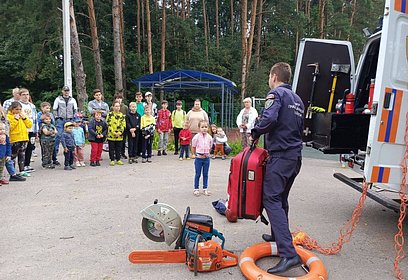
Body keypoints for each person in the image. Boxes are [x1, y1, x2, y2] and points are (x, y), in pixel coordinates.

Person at [251, 62, 304, 274]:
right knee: (280, 199)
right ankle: (277, 234)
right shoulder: (298, 99)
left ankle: (289, 254)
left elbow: (270, 119)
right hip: (294, 157)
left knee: (271, 199)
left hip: (280, 156)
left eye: (268, 76)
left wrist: (256, 131)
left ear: (274, 76)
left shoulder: (276, 94)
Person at [53, 86, 78, 166]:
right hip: (61, 120)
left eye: (67, 91)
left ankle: (71, 158)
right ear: (62, 91)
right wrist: (56, 118)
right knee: (58, 137)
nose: (66, 92)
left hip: (70, 120)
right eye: (65, 90)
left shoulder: (72, 100)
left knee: (71, 137)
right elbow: (54, 109)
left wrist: (73, 120)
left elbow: (75, 110)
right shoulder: (58, 99)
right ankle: (54, 158)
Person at [7, 101, 33, 177]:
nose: (18, 111)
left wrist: (24, 118)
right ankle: (13, 172)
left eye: (20, 109)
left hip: (24, 138)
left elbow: (29, 125)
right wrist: (15, 119)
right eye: (16, 109)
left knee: (22, 155)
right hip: (15, 139)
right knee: (13, 156)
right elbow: (9, 128)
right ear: (12, 109)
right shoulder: (8, 116)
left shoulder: (22, 115)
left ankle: (22, 170)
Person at [191, 120, 213, 196]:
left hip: (206, 158)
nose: (204, 129)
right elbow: (193, 146)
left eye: (206, 127)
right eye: (202, 127)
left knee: (205, 174)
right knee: (198, 174)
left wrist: (207, 153)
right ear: (199, 128)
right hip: (199, 158)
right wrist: (194, 154)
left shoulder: (209, 137)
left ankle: (205, 188)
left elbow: (210, 147)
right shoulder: (196, 137)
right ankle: (196, 188)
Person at [19, 88, 38, 173]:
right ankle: (21, 166)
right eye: (24, 94)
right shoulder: (18, 105)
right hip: (22, 130)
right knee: (22, 148)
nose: (26, 96)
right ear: (20, 96)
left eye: (27, 94)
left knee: (30, 147)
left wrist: (36, 130)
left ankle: (27, 164)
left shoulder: (32, 106)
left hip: (31, 130)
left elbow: (35, 118)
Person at [106, 100, 126, 166]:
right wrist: (113, 132)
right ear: (113, 107)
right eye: (116, 106)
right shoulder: (110, 114)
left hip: (119, 136)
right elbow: (108, 124)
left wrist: (120, 132)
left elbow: (123, 125)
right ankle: (112, 160)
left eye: (118, 106)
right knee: (111, 148)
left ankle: (118, 159)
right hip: (111, 135)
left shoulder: (122, 115)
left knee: (118, 148)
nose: (117, 107)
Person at [111, 93, 128, 159]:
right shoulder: (112, 107)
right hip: (114, 127)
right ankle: (115, 153)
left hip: (122, 127)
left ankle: (122, 153)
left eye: (120, 98)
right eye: (117, 98)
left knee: (123, 141)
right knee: (115, 141)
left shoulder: (125, 107)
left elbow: (127, 116)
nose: (119, 99)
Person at [0, 122, 11, 186]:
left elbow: (8, 146)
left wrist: (8, 155)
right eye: (0, 129)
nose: (2, 131)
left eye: (3, 129)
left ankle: (1, 178)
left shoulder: (6, 136)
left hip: (3, 156)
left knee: (1, 168)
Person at [135, 92, 145, 157]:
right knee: (136, 138)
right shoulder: (134, 104)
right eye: (137, 97)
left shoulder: (143, 105)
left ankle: (140, 151)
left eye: (140, 97)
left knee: (141, 138)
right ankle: (135, 152)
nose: (139, 98)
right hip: (135, 122)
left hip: (142, 123)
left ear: (142, 98)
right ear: (136, 97)